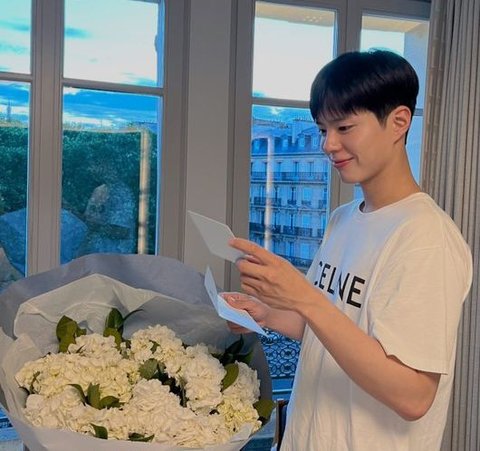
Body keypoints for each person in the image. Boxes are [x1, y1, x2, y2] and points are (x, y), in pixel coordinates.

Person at [223, 50, 472, 450]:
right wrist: (266, 314)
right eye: (323, 129)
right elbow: (332, 330)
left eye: (344, 127)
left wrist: (305, 298)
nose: (328, 144)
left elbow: (413, 396)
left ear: (399, 122)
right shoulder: (343, 219)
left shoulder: (426, 238)